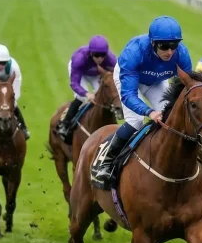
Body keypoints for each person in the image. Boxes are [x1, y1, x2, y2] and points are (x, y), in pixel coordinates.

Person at [91, 16, 193, 188]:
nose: (169, 52)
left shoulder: (182, 54)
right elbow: (129, 95)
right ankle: (106, 163)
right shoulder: (134, 53)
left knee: (171, 120)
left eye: (174, 45)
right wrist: (149, 111)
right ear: (153, 43)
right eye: (164, 46)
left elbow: (189, 86)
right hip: (131, 79)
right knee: (136, 122)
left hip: (156, 81)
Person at [56, 36, 118, 142]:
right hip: (80, 72)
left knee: (104, 95)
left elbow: (119, 74)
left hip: (94, 73)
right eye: (96, 55)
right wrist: (86, 93)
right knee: (81, 97)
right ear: (90, 53)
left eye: (103, 55)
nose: (100, 58)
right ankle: (65, 124)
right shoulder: (79, 59)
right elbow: (74, 83)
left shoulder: (111, 59)